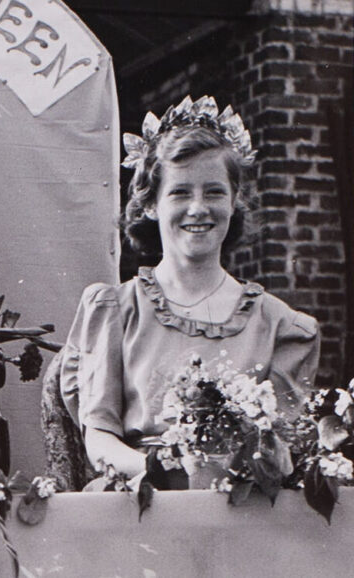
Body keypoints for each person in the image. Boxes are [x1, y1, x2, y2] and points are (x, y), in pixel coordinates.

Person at [60, 95, 319, 482]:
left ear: (235, 202)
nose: (198, 208)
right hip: (140, 502)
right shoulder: (115, 309)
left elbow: (283, 452)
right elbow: (98, 438)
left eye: (214, 192)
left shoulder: (282, 327)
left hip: (241, 510)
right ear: (150, 205)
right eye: (180, 193)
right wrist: (165, 472)